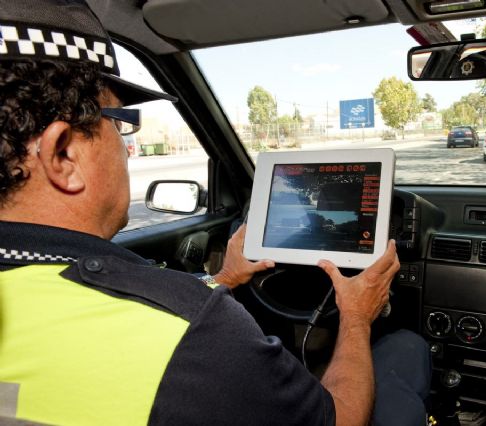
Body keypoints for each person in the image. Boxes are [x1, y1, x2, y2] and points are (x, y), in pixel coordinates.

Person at [0, 1, 431, 425]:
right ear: (63, 155)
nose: (126, 147)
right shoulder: (191, 333)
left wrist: (223, 278)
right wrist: (356, 317)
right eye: (119, 122)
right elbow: (342, 418)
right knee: (406, 349)